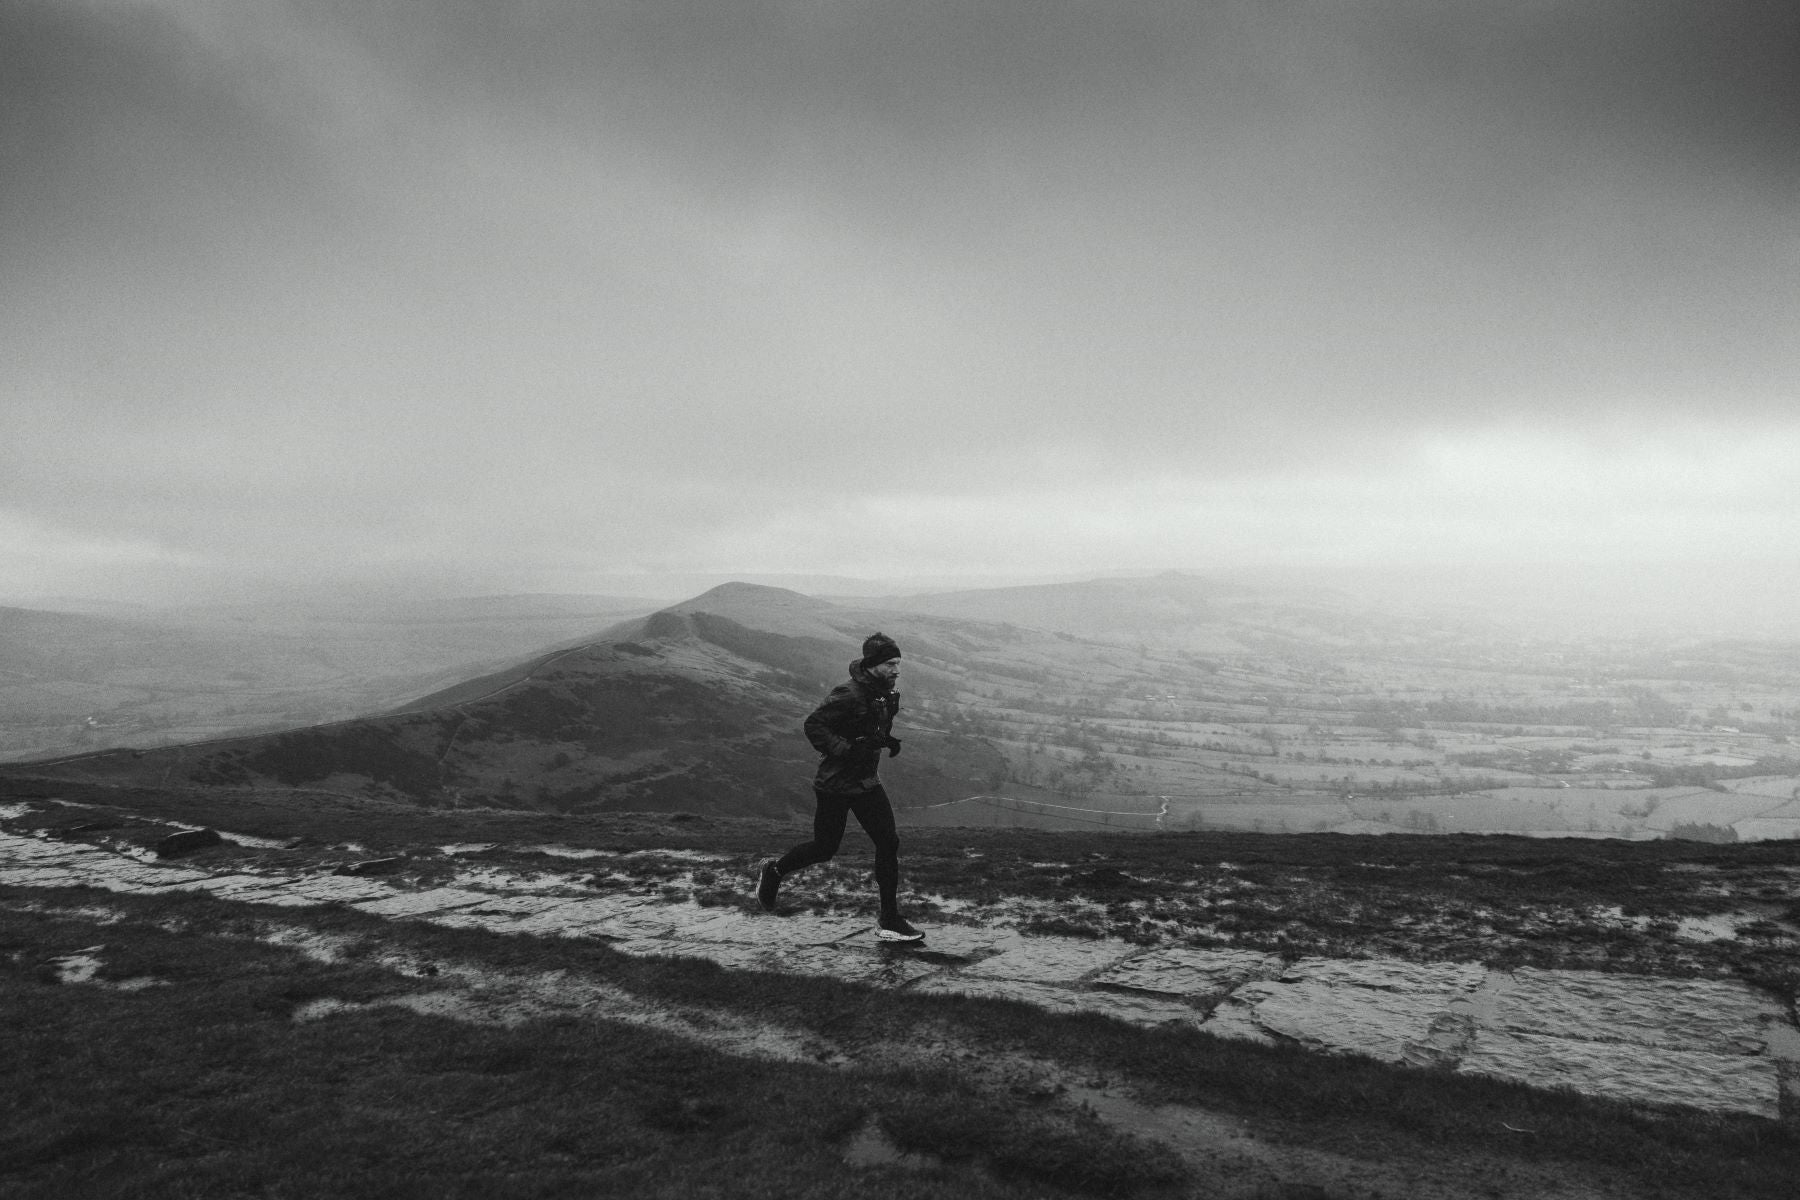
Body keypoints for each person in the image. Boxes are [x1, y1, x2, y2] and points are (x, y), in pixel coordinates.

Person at [757, 632, 923, 942]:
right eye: (891, 663)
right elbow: (814, 725)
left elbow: (867, 727)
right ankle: (775, 871)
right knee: (824, 849)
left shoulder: (882, 692)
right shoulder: (848, 693)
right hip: (835, 784)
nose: (897, 670)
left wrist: (886, 741)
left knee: (888, 842)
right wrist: (845, 750)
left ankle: (889, 919)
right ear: (873, 664)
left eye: (898, 663)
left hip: (866, 782)